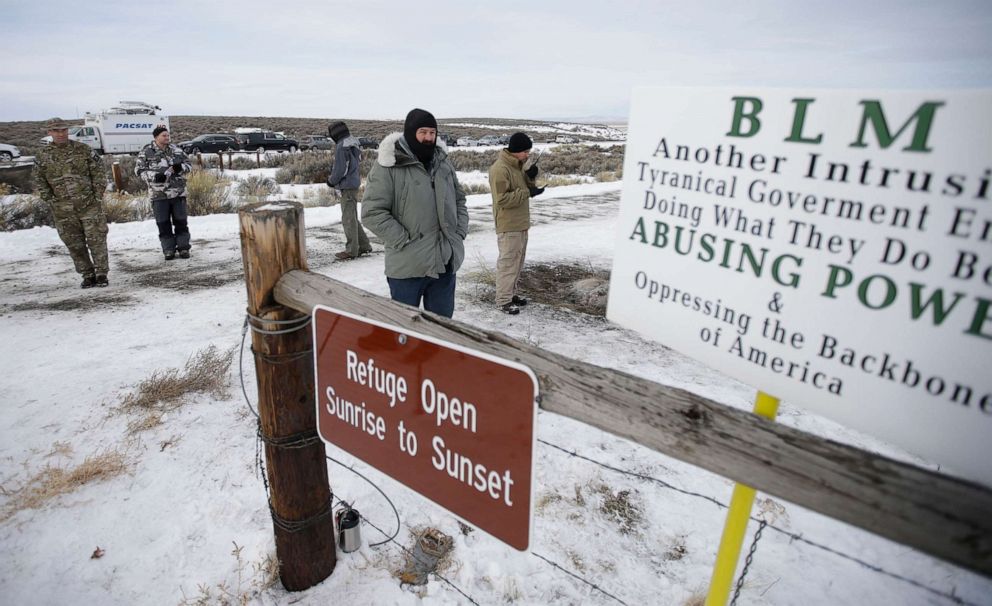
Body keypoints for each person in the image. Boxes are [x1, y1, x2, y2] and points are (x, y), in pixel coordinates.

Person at [361, 108, 468, 318]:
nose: (428, 138)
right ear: (411, 132)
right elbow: (372, 212)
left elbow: (459, 199)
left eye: (432, 132)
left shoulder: (443, 162)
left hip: (444, 264)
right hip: (407, 267)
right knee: (405, 333)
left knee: (442, 330)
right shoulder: (389, 165)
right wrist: (403, 239)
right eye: (423, 132)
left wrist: (459, 232)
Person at [34, 117, 110, 289]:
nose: (61, 133)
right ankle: (87, 274)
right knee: (74, 244)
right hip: (63, 209)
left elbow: (98, 173)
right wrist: (50, 199)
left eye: (63, 130)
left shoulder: (83, 150)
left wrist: (97, 196)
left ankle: (101, 273)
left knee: (97, 240)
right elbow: (39, 179)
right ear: (49, 132)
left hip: (89, 205)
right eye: (56, 130)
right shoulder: (43, 155)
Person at [488, 132, 544, 314]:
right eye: (525, 151)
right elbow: (502, 199)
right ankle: (503, 301)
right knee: (508, 263)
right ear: (516, 150)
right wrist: (528, 192)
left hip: (520, 223)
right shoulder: (500, 169)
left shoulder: (517, 166)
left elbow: (521, 187)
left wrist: (530, 178)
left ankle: (511, 295)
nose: (528, 155)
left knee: (517, 262)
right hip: (508, 225)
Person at [135, 126, 192, 260]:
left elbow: (189, 165)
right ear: (156, 137)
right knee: (163, 223)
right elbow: (139, 170)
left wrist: (180, 167)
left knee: (181, 222)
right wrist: (154, 176)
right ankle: (168, 250)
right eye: (163, 136)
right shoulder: (147, 152)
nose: (167, 138)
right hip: (158, 195)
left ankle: (183, 248)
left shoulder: (176, 150)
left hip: (178, 193)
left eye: (167, 135)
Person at [326, 120, 372, 260]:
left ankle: (352, 250)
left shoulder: (341, 147)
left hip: (346, 185)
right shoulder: (353, 142)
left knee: (348, 218)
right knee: (351, 216)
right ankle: (364, 245)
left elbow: (340, 169)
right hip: (354, 182)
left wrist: (331, 181)